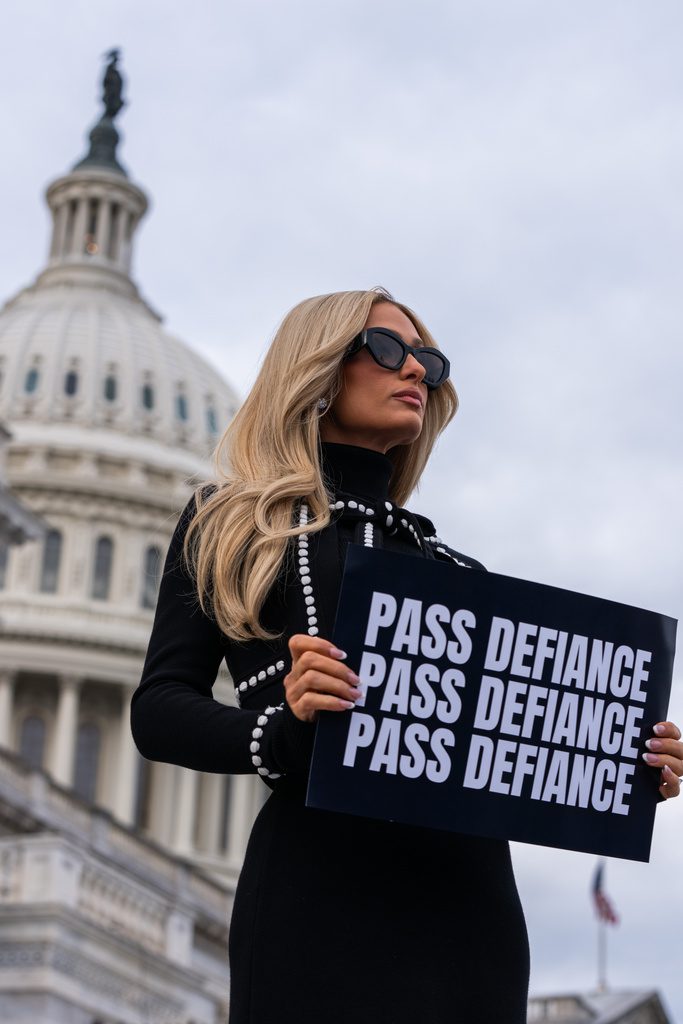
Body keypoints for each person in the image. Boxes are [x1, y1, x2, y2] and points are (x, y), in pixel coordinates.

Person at [131, 288, 682, 1024]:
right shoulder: (231, 523)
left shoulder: (459, 575)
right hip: (319, 894)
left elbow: (513, 746)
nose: (415, 371)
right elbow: (159, 709)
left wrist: (626, 761)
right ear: (318, 370)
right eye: (388, 350)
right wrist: (284, 728)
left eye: (428, 359)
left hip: (471, 913)